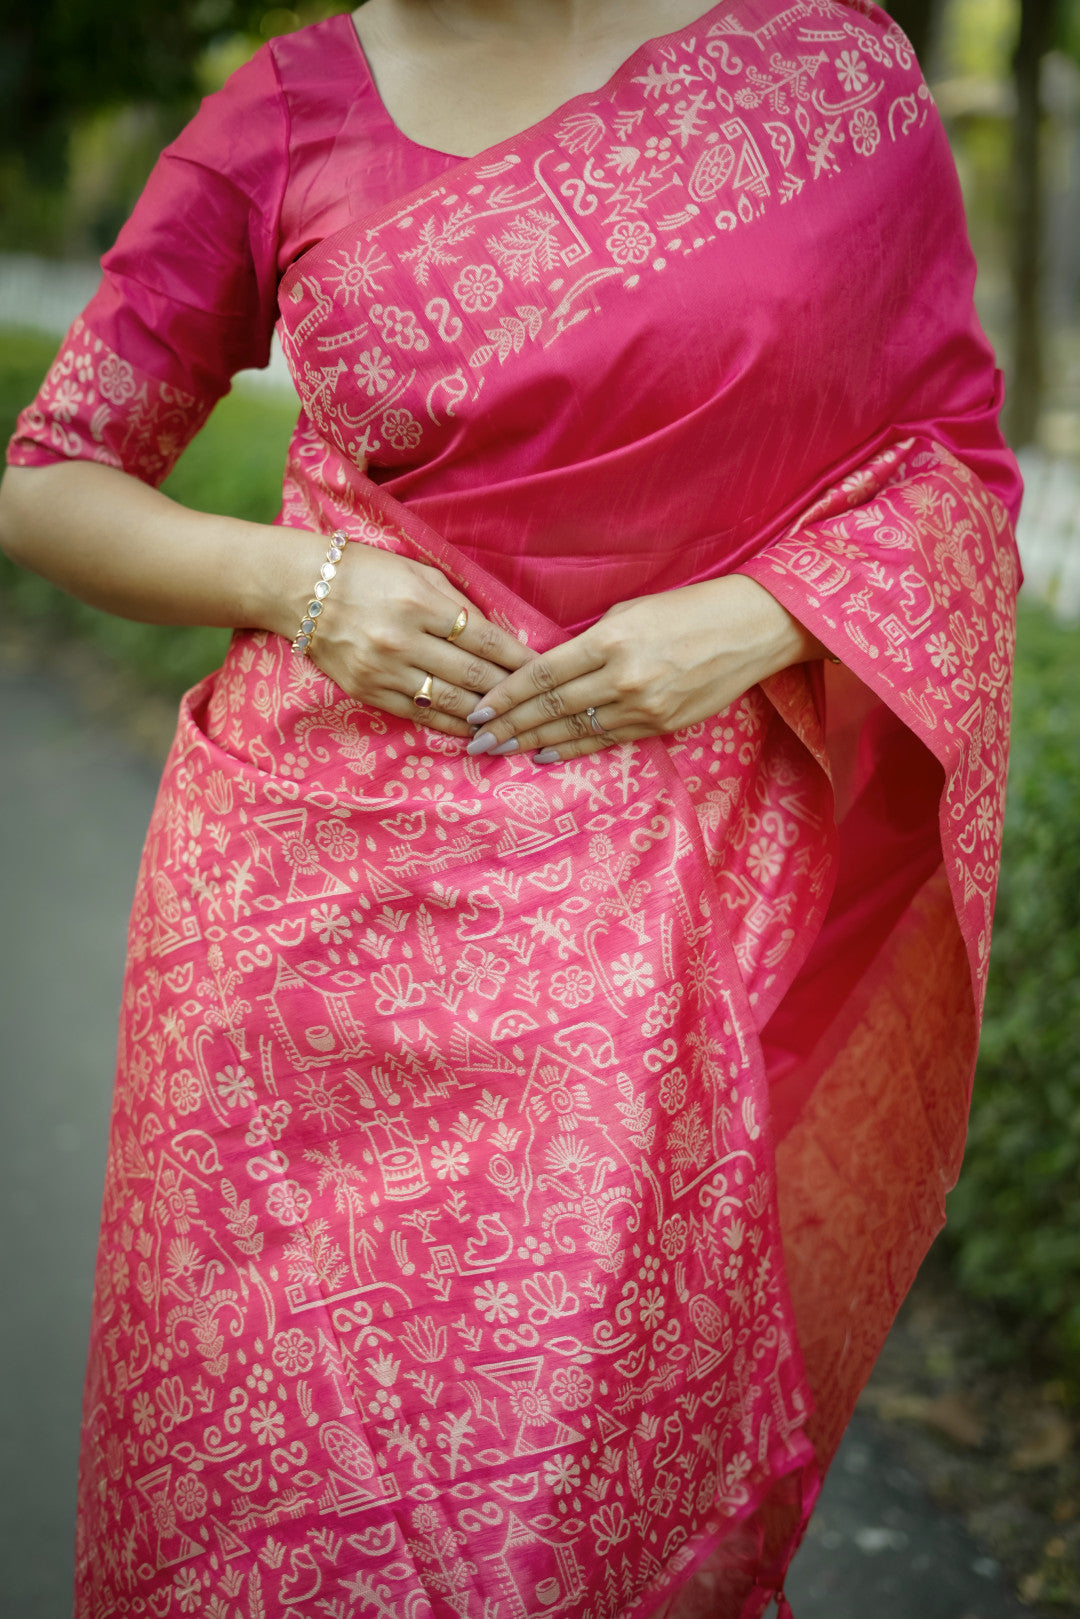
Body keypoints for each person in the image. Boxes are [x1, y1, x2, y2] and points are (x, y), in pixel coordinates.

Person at [0, 1, 1021, 1614]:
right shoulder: (288, 109)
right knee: (251, 1505)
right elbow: (51, 476)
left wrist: (765, 615)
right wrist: (301, 581)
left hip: (643, 930)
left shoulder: (823, 82)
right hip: (292, 939)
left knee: (543, 1520)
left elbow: (950, 467)